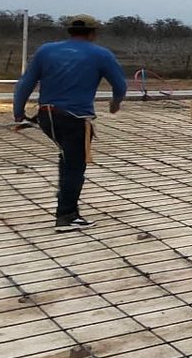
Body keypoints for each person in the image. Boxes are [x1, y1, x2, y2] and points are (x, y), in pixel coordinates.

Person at [12, 14, 128, 233]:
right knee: (75, 166)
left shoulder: (46, 50)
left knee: (67, 158)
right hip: (75, 119)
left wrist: (18, 114)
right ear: (93, 33)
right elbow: (120, 86)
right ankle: (66, 215)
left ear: (69, 31)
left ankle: (65, 193)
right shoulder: (101, 54)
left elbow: (25, 83)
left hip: (47, 117)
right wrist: (115, 105)